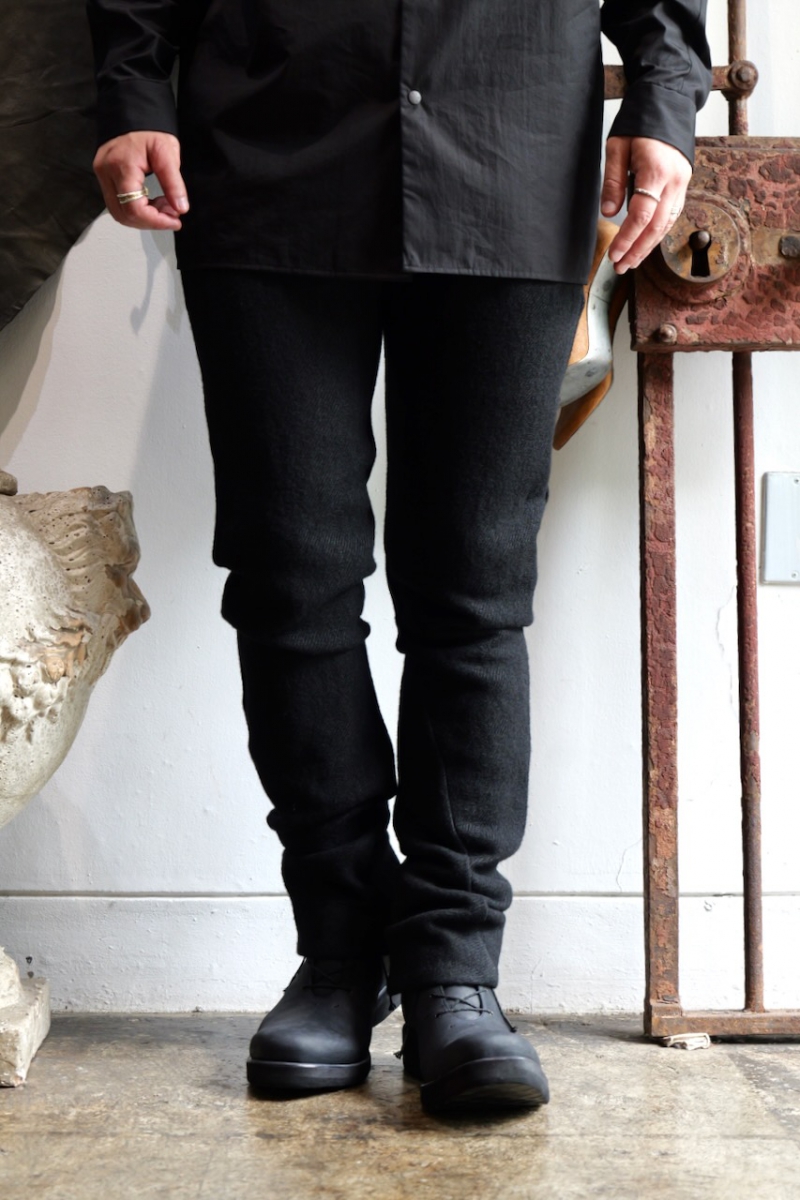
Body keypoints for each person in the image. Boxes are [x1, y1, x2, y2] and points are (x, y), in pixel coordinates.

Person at [86, 0, 711, 1113]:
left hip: (510, 152)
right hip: (267, 151)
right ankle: (340, 949)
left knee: (473, 586)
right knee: (288, 577)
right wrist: (132, 87)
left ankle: (454, 969)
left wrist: (664, 101)